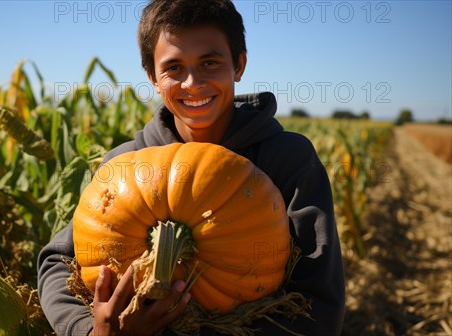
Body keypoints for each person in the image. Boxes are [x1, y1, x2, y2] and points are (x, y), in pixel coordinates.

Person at [37, 0, 346, 335]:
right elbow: (57, 263)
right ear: (153, 77)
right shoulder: (123, 165)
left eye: (210, 62)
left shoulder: (287, 159)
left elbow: (319, 305)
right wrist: (93, 331)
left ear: (238, 65)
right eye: (173, 68)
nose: (192, 83)